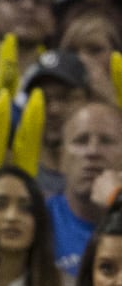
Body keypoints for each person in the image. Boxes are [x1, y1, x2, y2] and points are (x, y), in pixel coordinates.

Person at [47, 101, 122, 274]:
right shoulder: (39, 220)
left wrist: (116, 200)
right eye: (81, 141)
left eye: (106, 141)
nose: (93, 151)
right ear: (61, 158)